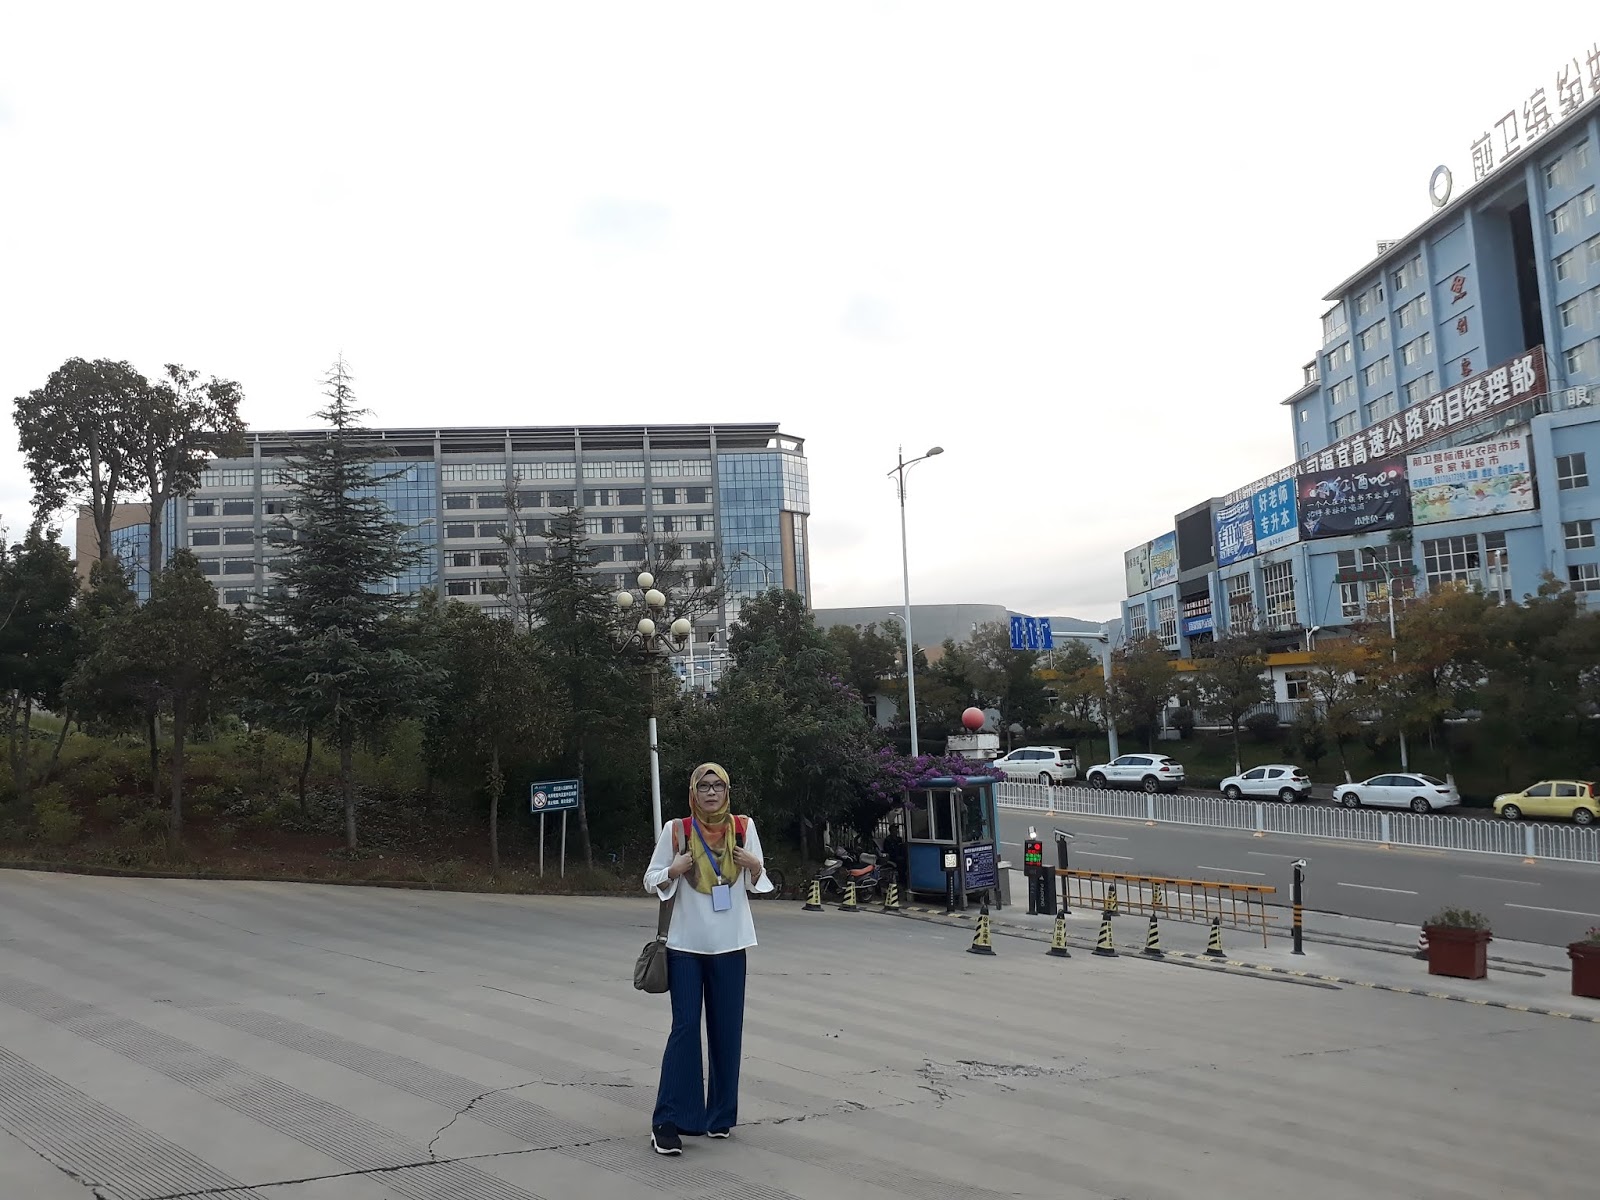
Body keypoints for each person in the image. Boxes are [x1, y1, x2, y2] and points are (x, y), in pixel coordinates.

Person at [642, 762, 773, 1156]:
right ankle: (668, 1120)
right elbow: (650, 879)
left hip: (731, 944)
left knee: (727, 1029)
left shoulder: (743, 828)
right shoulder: (677, 830)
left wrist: (755, 867)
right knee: (684, 1028)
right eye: (704, 786)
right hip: (685, 945)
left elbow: (759, 882)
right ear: (693, 792)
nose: (711, 792)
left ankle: (719, 1115)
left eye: (718, 786)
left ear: (727, 791)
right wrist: (673, 869)